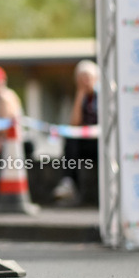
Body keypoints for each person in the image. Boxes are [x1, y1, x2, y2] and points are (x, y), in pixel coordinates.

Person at [53, 60, 99, 206]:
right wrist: (80, 95)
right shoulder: (81, 98)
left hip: (102, 142)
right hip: (86, 144)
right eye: (81, 78)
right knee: (71, 140)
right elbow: (74, 124)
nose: (85, 81)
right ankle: (69, 183)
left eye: (87, 77)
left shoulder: (103, 97)